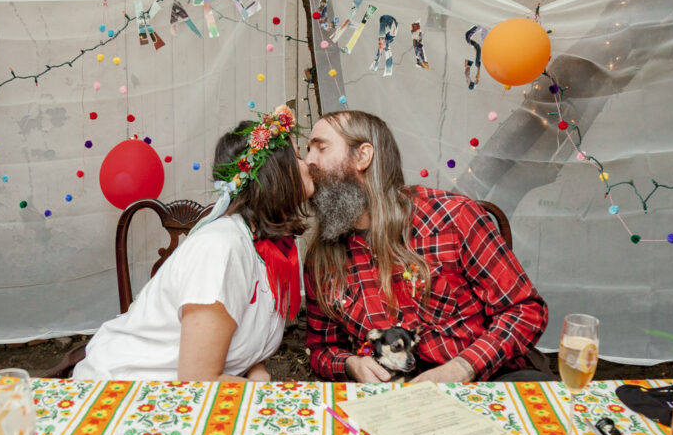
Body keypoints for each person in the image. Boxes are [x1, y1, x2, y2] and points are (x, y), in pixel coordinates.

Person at [303, 110, 548, 383]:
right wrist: (351, 364)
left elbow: (525, 310)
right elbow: (321, 349)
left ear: (363, 156)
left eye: (320, 148)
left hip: (482, 383)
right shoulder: (322, 256)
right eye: (307, 150)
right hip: (396, 398)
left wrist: (461, 369)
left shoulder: (452, 217)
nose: (308, 160)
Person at [74, 105, 312, 381]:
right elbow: (198, 380)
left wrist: (256, 369)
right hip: (120, 391)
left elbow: (242, 330)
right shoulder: (221, 248)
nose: (309, 164)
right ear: (276, 174)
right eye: (298, 156)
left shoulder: (269, 248)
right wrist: (264, 392)